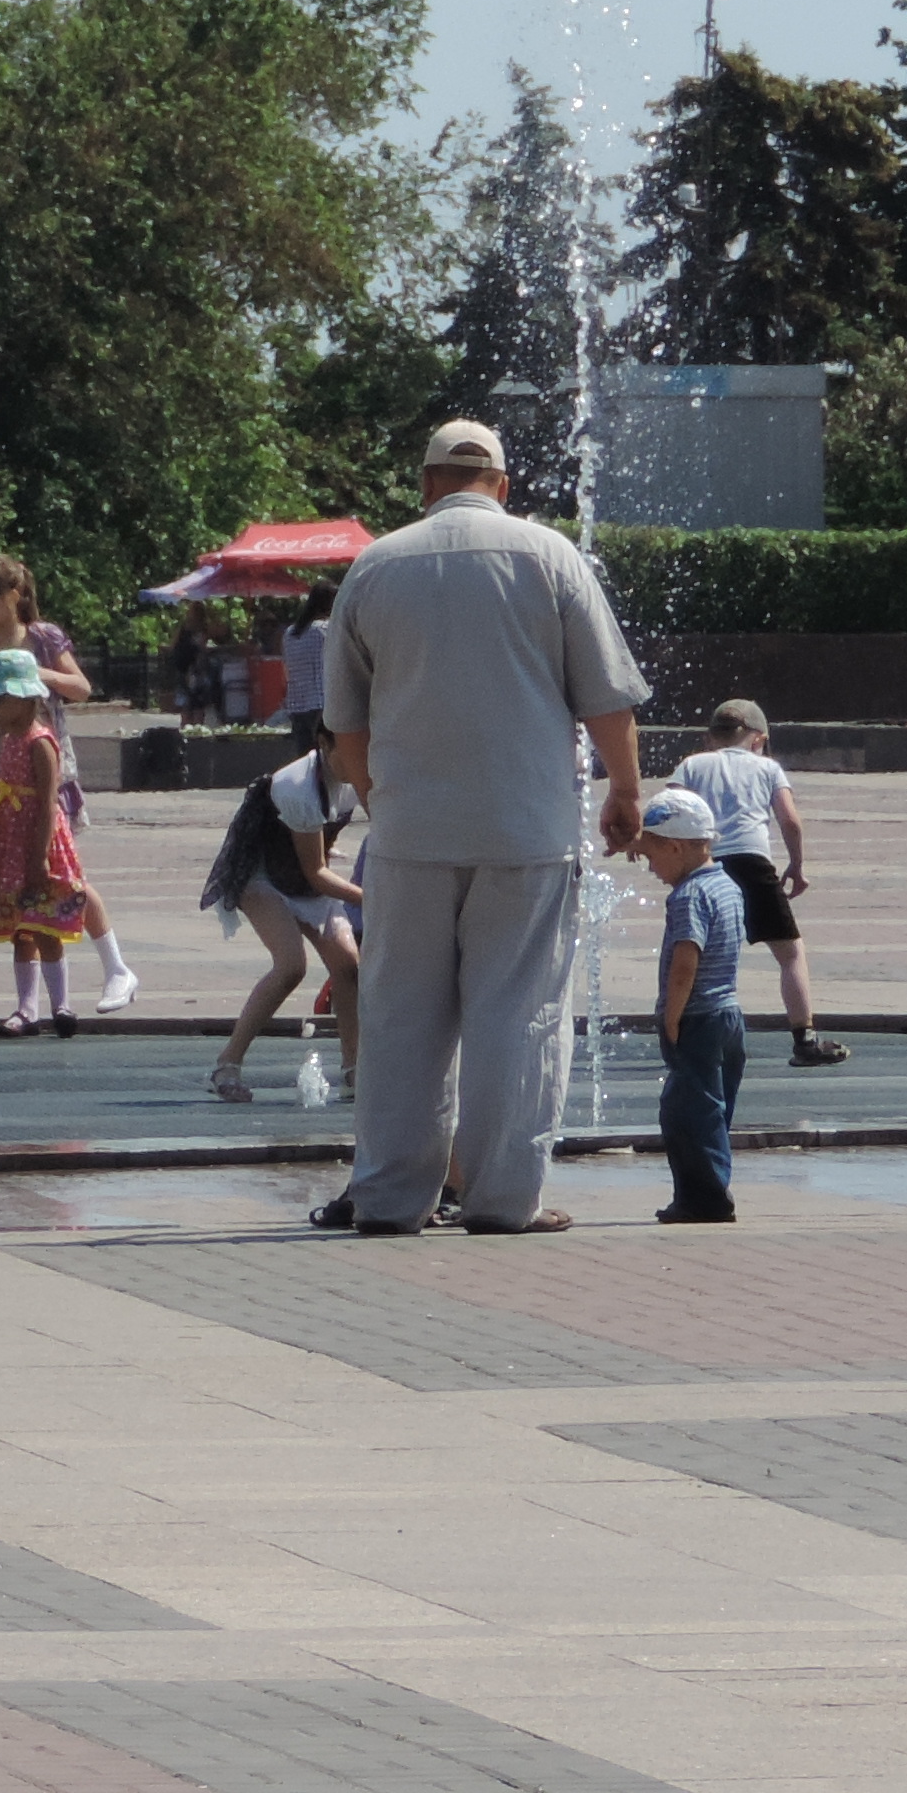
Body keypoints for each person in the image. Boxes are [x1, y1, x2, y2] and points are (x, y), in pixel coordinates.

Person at [313, 418, 646, 1239]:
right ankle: (502, 1200)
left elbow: (345, 727)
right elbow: (606, 699)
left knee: (400, 1020)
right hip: (525, 831)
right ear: (502, 485)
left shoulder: (375, 565)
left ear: (427, 483)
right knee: (517, 1016)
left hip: (411, 835)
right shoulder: (551, 557)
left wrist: (382, 801)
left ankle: (391, 1199)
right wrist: (626, 791)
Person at [0, 558, 139, 1021]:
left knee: (62, 876)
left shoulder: (42, 637)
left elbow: (81, 687)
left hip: (41, 769)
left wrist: (31, 674)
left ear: (13, 595)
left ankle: (116, 968)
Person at [670, 702, 849, 1068]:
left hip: (706, 867)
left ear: (710, 738)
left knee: (698, 954)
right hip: (754, 866)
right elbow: (790, 820)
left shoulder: (692, 765)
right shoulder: (768, 768)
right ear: (758, 740)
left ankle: (686, 1036)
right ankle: (805, 1040)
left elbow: (669, 807)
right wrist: (796, 866)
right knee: (790, 953)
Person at [201, 713, 363, 1101]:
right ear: (324, 744)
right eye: (350, 746)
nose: (361, 756)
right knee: (291, 966)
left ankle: (355, 1069)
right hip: (263, 875)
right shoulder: (297, 786)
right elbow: (316, 873)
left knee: (348, 966)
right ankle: (226, 1064)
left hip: (305, 874)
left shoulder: (361, 772)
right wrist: (370, 897)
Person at [0, 650, 108, 1034]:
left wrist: (39, 857)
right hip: (10, 844)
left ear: (23, 699)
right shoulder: (10, 739)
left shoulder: (40, 742)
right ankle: (26, 1009)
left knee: (45, 927)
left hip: (37, 845)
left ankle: (62, 1006)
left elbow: (49, 802)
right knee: (21, 930)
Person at [639, 784, 745, 1226]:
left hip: (697, 1016)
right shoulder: (727, 885)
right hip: (729, 1016)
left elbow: (687, 958)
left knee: (687, 1113)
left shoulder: (689, 896)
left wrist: (671, 1015)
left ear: (676, 847)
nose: (650, 867)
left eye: (652, 856)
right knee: (714, 1109)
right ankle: (710, 1188)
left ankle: (704, 1199)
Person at [282, 582, 337, 732]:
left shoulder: (290, 633)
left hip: (296, 705)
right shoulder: (325, 629)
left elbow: (286, 670)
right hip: (322, 703)